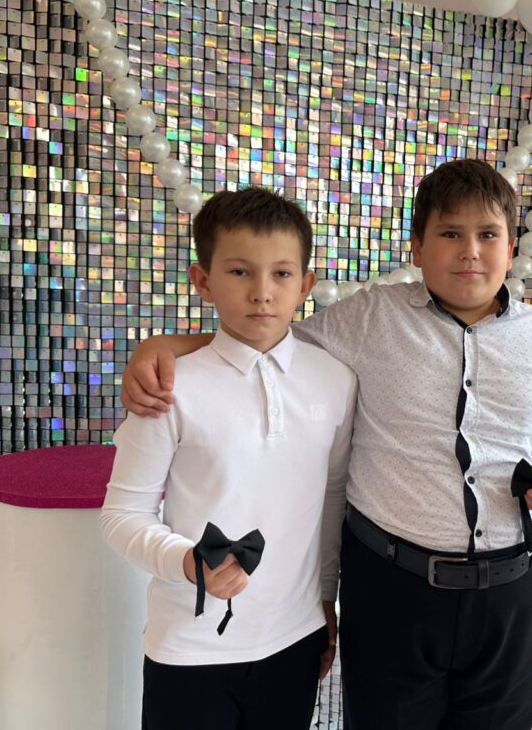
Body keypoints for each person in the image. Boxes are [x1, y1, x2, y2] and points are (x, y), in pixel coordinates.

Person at [121, 159, 532, 729]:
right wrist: (164, 345)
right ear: (417, 248)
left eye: (488, 234)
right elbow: (268, 335)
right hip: (394, 591)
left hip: (515, 591)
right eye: (451, 234)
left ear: (512, 247)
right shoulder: (372, 316)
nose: (470, 252)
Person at [101, 187, 357, 730]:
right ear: (203, 281)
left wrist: (326, 604)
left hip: (294, 639)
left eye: (282, 274)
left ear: (306, 284)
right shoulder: (168, 386)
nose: (262, 292)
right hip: (189, 646)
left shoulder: (336, 381)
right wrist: (188, 562)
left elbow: (331, 504)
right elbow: (121, 517)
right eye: (240, 272)